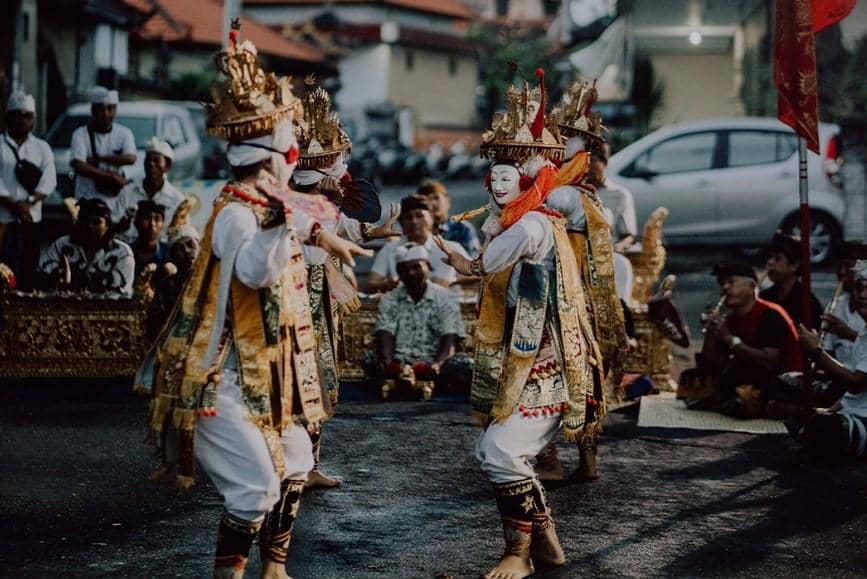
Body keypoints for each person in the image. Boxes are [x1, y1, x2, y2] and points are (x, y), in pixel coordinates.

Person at [139, 27, 370, 579]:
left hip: (262, 374)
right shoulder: (240, 215)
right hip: (220, 378)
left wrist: (323, 234)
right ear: (271, 161)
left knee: (298, 459)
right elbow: (254, 269)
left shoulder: (264, 201)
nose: (295, 161)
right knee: (255, 489)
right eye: (289, 153)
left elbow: (297, 217)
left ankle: (275, 567)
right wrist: (289, 222)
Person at [438, 70, 601, 579]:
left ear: (532, 178)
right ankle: (546, 543)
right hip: (528, 355)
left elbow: (480, 265)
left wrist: (456, 257)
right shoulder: (529, 220)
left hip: (546, 361)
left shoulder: (531, 225)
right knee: (498, 450)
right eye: (495, 173)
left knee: (500, 452)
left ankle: (520, 553)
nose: (495, 183)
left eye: (508, 173)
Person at [290, 79, 399, 490]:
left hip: (320, 301)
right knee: (297, 379)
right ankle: (291, 466)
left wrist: (376, 230)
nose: (342, 184)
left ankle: (308, 464)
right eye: (335, 178)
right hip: (295, 302)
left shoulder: (323, 209)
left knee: (319, 378)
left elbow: (346, 228)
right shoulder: (294, 210)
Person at [536, 77, 628, 482]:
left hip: (556, 295)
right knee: (582, 373)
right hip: (576, 296)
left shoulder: (565, 194)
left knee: (547, 374)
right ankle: (585, 459)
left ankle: (551, 460)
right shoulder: (581, 193)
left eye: (567, 139)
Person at [684, 262, 803, 417]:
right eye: (722, 283)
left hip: (785, 380)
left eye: (731, 282)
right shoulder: (730, 320)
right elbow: (711, 365)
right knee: (694, 380)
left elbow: (769, 361)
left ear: (752, 286)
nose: (725, 288)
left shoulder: (770, 315)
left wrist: (730, 339)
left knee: (745, 397)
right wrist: (711, 333)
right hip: (754, 376)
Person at [366, 242, 470, 400]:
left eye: (416, 267)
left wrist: (437, 365)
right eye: (404, 269)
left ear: (428, 266)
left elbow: (449, 339)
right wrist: (388, 363)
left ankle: (412, 384)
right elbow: (385, 335)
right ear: (398, 273)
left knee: (464, 364)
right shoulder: (390, 299)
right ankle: (406, 382)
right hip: (398, 363)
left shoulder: (445, 298)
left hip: (432, 363)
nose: (410, 273)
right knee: (369, 359)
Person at [792, 259, 867, 462]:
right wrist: (826, 411)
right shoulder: (864, 331)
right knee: (802, 416)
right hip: (853, 411)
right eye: (859, 288)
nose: (863, 295)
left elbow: (855, 383)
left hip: (863, 419)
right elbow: (849, 393)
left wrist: (816, 352)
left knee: (823, 428)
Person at [0, 90, 56, 290]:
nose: (23, 120)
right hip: (3, 221)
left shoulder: (42, 147)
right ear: (8, 117)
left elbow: (49, 181)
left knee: (29, 271)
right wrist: (15, 205)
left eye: (28, 115)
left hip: (31, 221)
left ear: (33, 119)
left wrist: (29, 202)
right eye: (18, 115)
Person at [365, 194, 468, 293]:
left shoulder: (452, 248)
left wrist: (451, 283)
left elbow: (474, 276)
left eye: (419, 216)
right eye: (408, 217)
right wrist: (386, 285)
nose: (414, 221)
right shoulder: (389, 250)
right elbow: (370, 286)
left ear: (432, 218)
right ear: (401, 222)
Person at [37, 197, 134, 297]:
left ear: (107, 225)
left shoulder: (122, 253)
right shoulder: (62, 245)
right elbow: (42, 280)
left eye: (96, 222)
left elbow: (121, 294)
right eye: (84, 220)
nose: (89, 226)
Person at [70, 86, 136, 205]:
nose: (105, 114)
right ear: (93, 110)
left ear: (115, 110)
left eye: (110, 108)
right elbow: (79, 165)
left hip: (115, 200)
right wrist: (111, 177)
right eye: (101, 109)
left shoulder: (124, 133)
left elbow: (131, 158)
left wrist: (99, 158)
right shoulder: (80, 134)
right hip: (87, 198)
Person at [112, 138, 185, 244]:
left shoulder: (177, 199)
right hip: (128, 246)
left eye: (156, 160)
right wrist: (124, 223)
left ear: (167, 166)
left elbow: (179, 234)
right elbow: (114, 224)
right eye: (148, 160)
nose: (151, 164)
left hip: (162, 250)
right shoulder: (128, 191)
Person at [760, 231, 823, 330]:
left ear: (794, 265)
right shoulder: (764, 297)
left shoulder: (807, 302)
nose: (770, 262)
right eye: (769, 257)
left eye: (777, 259)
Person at [821, 241, 867, 366]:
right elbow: (827, 350)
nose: (841, 272)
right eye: (839, 266)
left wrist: (848, 333)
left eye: (847, 266)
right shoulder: (836, 305)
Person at [417, 179, 480, 256]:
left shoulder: (462, 228)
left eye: (436, 198)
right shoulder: (416, 230)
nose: (432, 203)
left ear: (448, 201)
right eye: (426, 200)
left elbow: (473, 258)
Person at [130, 200, 169, 278]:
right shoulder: (127, 252)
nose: (152, 224)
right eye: (146, 218)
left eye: (157, 219)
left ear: (162, 224)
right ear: (136, 222)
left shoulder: (168, 254)